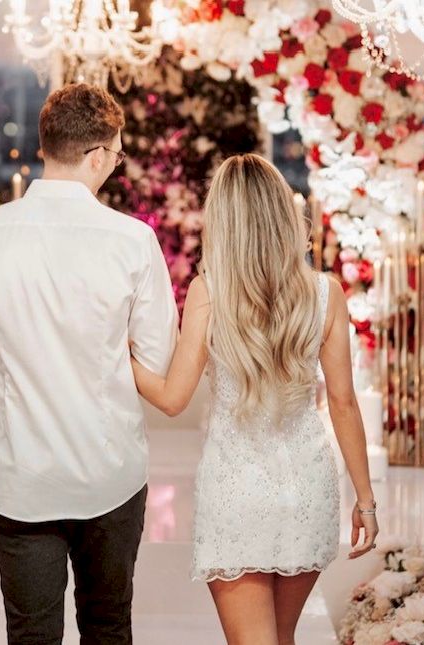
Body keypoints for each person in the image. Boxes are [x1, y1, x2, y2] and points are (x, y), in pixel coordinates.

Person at [0, 83, 179, 645]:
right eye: (115, 155)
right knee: (109, 626)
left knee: (30, 634)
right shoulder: (133, 240)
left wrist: (5, 382)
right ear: (95, 156)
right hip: (109, 471)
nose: (115, 165)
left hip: (22, 476)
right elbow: (158, 355)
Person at [130, 153, 379, 645]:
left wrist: (121, 355)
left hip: (238, 494)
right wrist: (366, 502)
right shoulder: (326, 293)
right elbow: (344, 404)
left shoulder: (210, 292)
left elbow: (173, 397)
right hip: (306, 490)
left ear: (225, 220)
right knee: (281, 639)